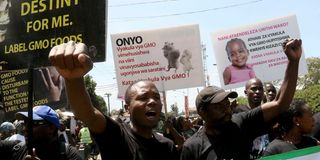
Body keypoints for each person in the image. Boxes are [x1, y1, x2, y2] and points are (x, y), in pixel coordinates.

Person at [48, 41, 178, 160]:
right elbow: (88, 114)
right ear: (127, 108)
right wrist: (73, 80)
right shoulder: (117, 135)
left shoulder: (168, 146)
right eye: (143, 98)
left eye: (156, 97)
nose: (152, 102)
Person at [180, 38, 302, 160]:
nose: (226, 109)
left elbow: (280, 104)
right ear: (202, 111)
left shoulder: (239, 123)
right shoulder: (192, 148)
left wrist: (293, 61)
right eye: (218, 106)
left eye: (227, 104)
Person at [0, 105, 83, 160]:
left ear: (51, 128)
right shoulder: (15, 148)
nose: (25, 128)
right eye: (24, 122)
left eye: (33, 123)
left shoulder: (70, 156)